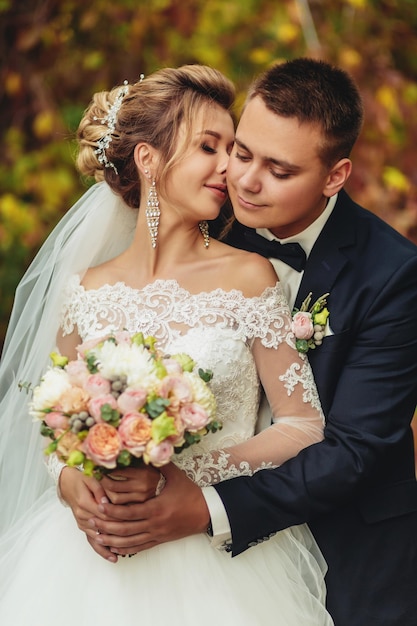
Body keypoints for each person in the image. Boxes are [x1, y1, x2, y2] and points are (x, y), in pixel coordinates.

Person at [74, 59, 417, 626]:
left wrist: (203, 504)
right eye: (241, 152)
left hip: (348, 554)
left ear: (335, 176)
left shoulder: (394, 276)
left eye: (279, 170)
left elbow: (353, 449)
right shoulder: (204, 210)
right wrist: (74, 475)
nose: (246, 182)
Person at [0, 64, 333, 625]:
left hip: (216, 565)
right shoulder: (84, 290)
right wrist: (68, 479)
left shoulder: (250, 277)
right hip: (84, 565)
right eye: (210, 146)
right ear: (148, 160)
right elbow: (52, 421)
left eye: (233, 148)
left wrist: (192, 478)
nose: (230, 167)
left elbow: (304, 425)